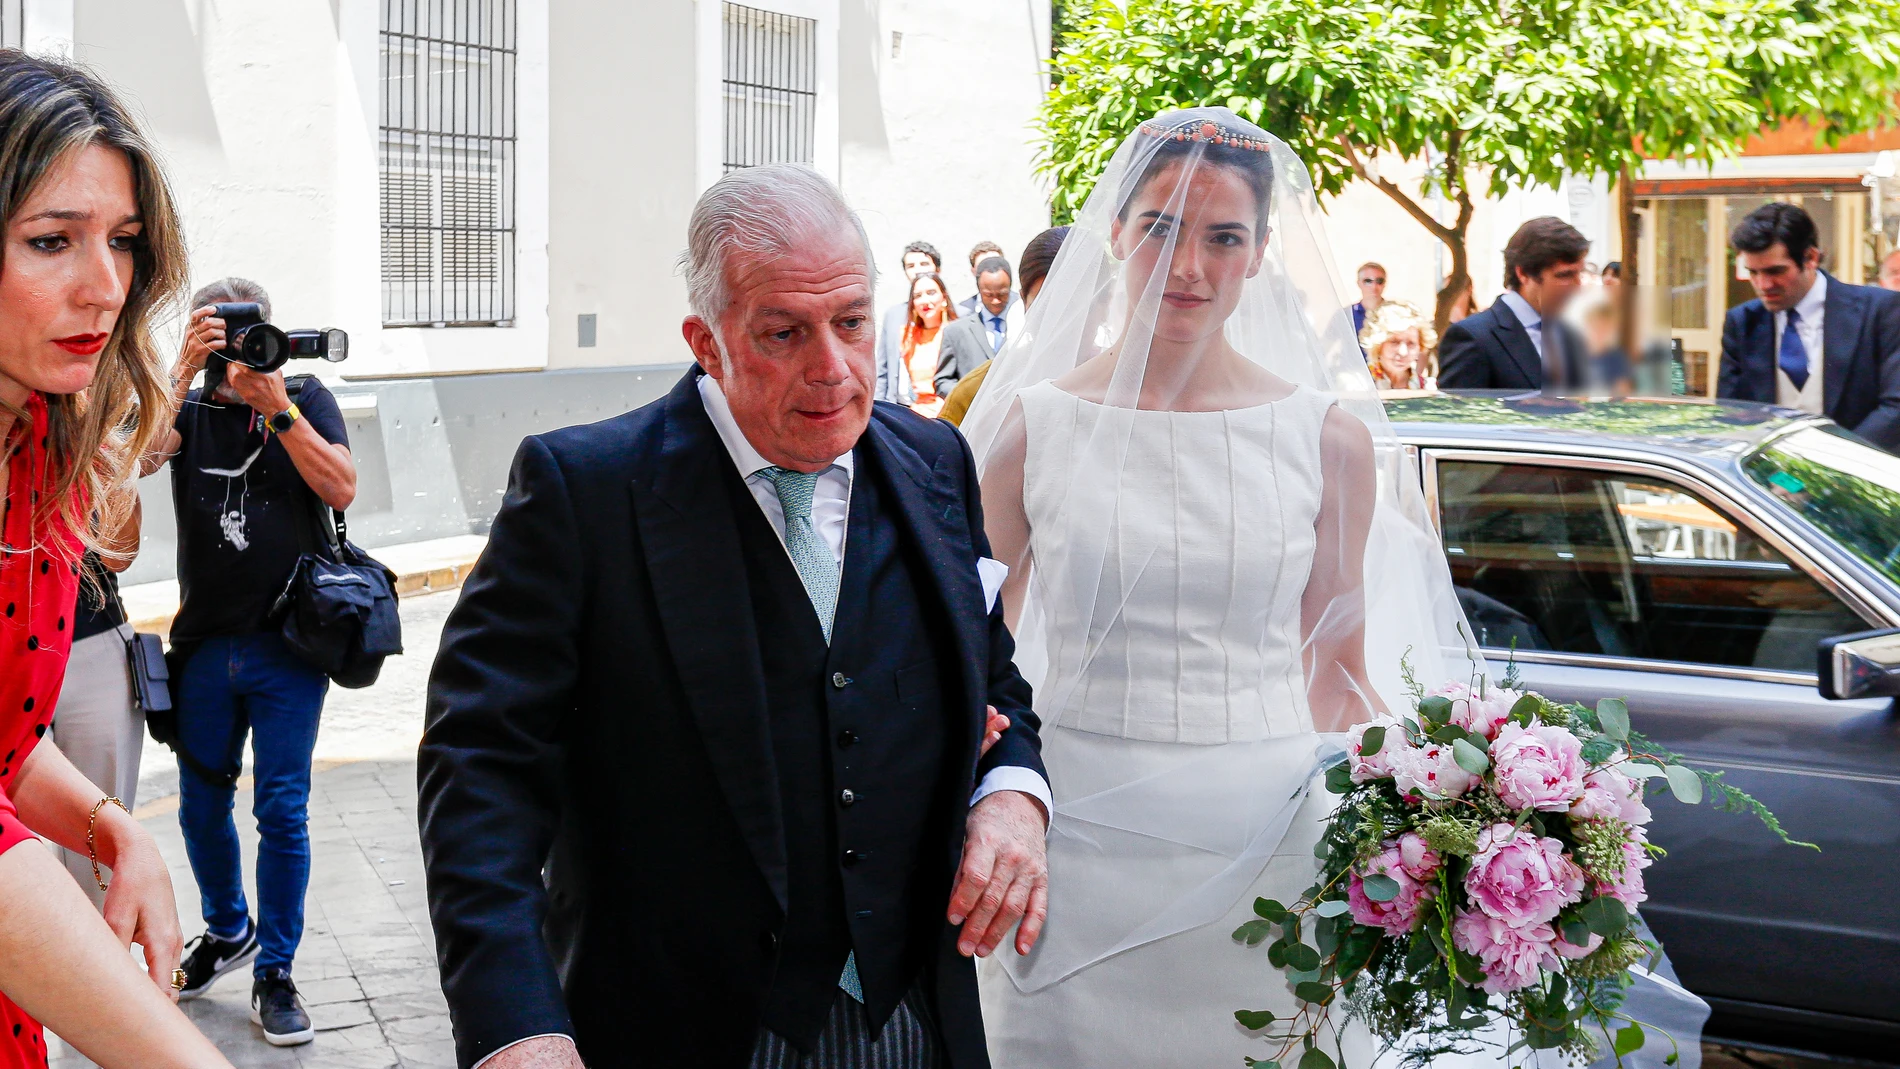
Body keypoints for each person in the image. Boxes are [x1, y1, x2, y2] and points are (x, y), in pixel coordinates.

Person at [955, 107, 1706, 1068]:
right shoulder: (1032, 427)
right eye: (1160, 228)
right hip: (1075, 841)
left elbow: (1337, 671)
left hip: (1266, 850)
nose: (1188, 265)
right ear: (1115, 231)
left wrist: (1453, 811)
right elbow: (979, 651)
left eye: (1223, 236)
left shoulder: (1326, 439)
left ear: (1262, 250)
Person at [419, 162, 1051, 1069]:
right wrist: (514, 1020)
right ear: (706, 341)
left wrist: (1014, 796)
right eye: (785, 333)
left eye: (851, 323)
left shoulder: (935, 462)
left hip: (912, 1019)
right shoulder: (585, 493)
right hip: (677, 1025)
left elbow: (996, 684)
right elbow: (479, 767)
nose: (832, 369)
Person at [0, 48, 234, 1069]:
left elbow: (6, 739)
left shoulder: (40, 449)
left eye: (126, 242)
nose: (106, 286)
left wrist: (117, 831)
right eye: (53, 240)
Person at [145, 276, 357, 1045]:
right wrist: (178, 369)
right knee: (200, 805)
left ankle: (276, 970)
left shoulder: (302, 393)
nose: (236, 349)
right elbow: (137, 458)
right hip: (204, 641)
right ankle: (227, 929)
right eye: (220, 334)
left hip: (288, 645)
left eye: (247, 333)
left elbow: (342, 484)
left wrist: (279, 408)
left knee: (281, 810)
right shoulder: (191, 408)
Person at [1718, 203, 1900, 452]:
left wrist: (1831, 463)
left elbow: (1895, 407)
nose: (1763, 284)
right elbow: (1730, 414)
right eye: (1753, 272)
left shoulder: (1881, 311)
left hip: (1859, 475)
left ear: (1811, 258)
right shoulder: (1742, 323)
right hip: (1766, 482)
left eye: (1775, 271)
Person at [49, 550, 144, 910]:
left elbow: (122, 550)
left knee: (101, 858)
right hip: (11, 650)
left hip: (91, 631)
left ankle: (104, 964)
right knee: (23, 854)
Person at [1437, 216, 1590, 390]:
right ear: (1523, 274)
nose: (1578, 286)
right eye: (1565, 275)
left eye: (1580, 273)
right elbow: (1459, 415)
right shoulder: (1473, 337)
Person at [939, 228, 1068, 427]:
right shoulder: (975, 389)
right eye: (1046, 305)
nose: (1063, 321)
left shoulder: (1127, 386)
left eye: (1077, 305)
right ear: (1024, 301)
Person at [935, 256, 1013, 399]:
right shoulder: (956, 332)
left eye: (1002, 294)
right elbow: (942, 382)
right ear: (979, 290)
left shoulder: (1023, 326)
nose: (996, 300)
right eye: (988, 295)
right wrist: (968, 396)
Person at [875, 240, 942, 405]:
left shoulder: (958, 318)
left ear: (937, 269)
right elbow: (883, 368)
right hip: (898, 407)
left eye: (924, 263)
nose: (917, 270)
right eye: (910, 266)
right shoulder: (894, 315)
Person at [901, 271, 958, 417]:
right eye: (918, 296)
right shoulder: (907, 336)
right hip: (918, 414)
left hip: (951, 413)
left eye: (931, 292)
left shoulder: (957, 333)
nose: (925, 300)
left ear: (944, 298)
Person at [1359, 299, 1438, 390]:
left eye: (1411, 343)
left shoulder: (1426, 388)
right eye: (1394, 342)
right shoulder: (1358, 385)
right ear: (1378, 345)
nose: (1403, 352)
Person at [956, 240, 1008, 319]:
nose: (991, 272)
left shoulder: (1022, 304)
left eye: (996, 265)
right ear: (973, 271)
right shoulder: (963, 311)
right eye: (983, 267)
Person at [1348, 260, 1385, 340]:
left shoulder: (1395, 313)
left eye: (1379, 281)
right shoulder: (1347, 314)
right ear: (1359, 283)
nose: (1374, 286)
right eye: (1368, 281)